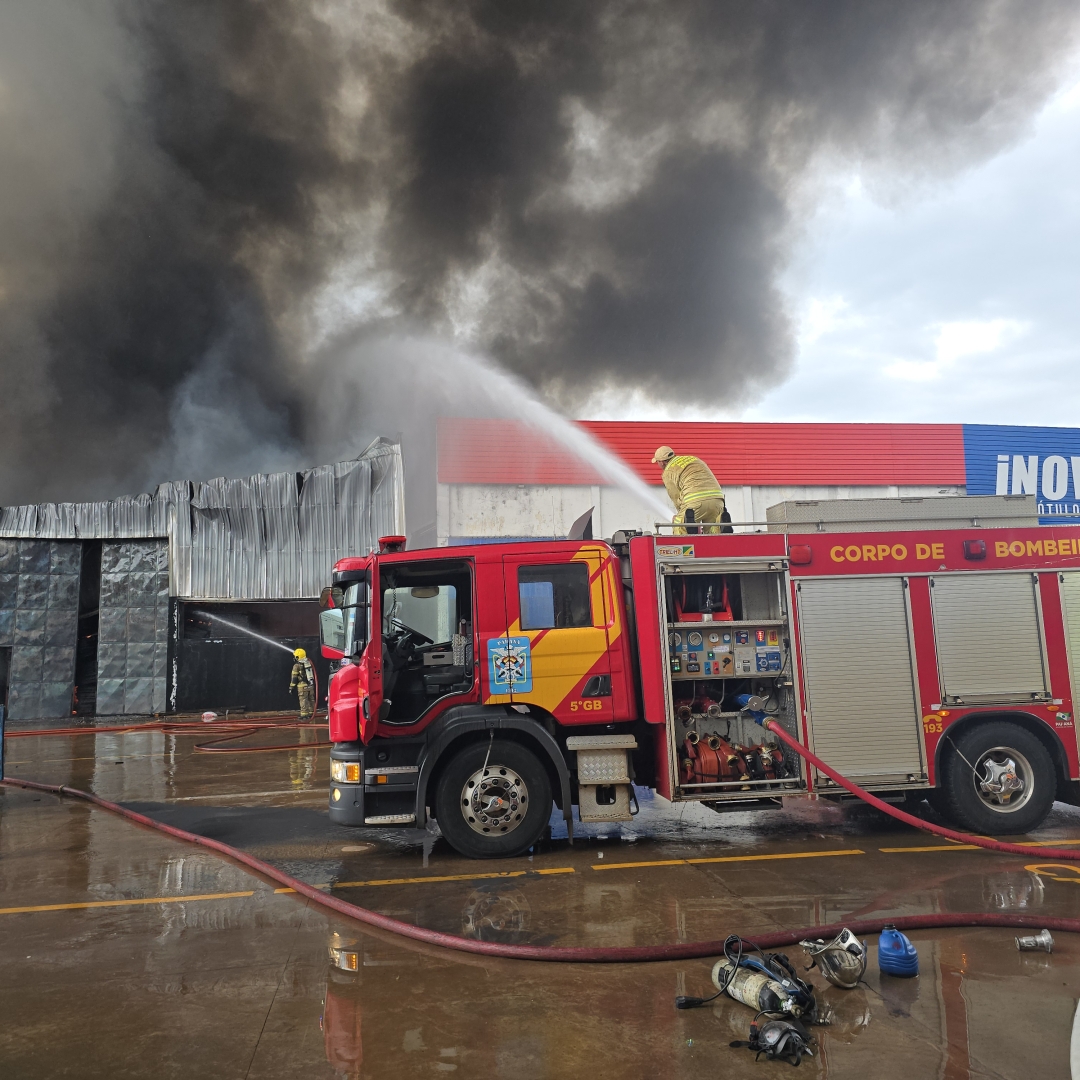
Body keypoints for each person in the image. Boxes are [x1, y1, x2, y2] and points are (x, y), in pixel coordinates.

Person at [652, 446, 726, 535]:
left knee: (679, 525)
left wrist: (680, 515)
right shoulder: (692, 459)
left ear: (662, 462)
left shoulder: (668, 472)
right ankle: (720, 529)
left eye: (657, 462)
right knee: (713, 531)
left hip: (695, 502)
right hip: (717, 499)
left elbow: (676, 496)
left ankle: (690, 529)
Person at [290, 647, 316, 720]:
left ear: (297, 657)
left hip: (302, 686)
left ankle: (304, 715)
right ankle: (312, 713)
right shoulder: (308, 662)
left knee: (303, 700)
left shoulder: (296, 666)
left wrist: (291, 688)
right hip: (310, 685)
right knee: (311, 699)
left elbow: (294, 678)